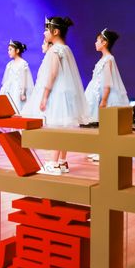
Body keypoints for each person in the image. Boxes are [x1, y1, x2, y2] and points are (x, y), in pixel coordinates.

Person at [22, 16, 89, 174]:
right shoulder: (66, 49)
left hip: (56, 93)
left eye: (47, 30)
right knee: (63, 127)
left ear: (56, 31)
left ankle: (52, 163)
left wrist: (45, 96)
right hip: (66, 93)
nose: (44, 33)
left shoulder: (54, 50)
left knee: (55, 128)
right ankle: (62, 161)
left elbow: (52, 74)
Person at [84, 28, 129, 161]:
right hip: (98, 94)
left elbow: (108, 81)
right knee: (101, 125)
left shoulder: (109, 59)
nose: (95, 43)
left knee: (107, 125)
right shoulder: (103, 59)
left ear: (104, 43)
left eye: (97, 40)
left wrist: (104, 99)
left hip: (107, 96)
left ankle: (106, 151)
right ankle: (100, 149)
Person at [0, 40, 34, 114]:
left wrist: (23, 93)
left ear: (17, 50)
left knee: (17, 106)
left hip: (18, 89)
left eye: (10, 50)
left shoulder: (23, 63)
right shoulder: (9, 64)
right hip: (9, 89)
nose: (8, 52)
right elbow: (6, 79)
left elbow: (24, 79)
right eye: (8, 50)